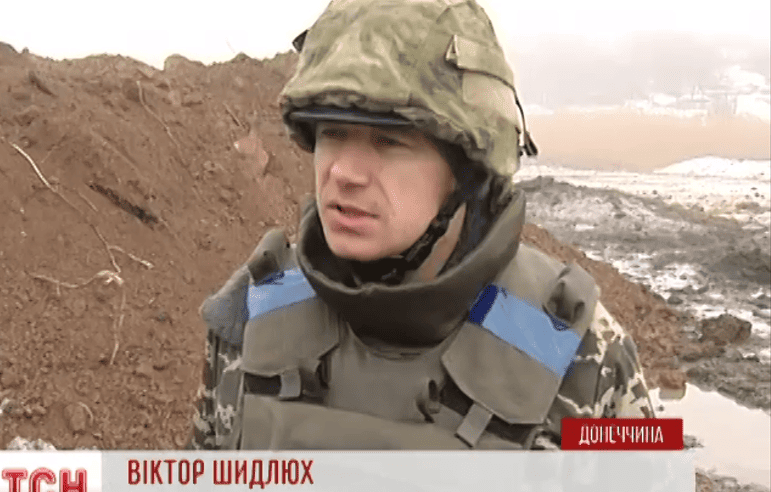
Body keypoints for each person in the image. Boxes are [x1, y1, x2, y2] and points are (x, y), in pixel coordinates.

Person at [192, 0, 654, 450]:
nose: (343, 173)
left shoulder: (585, 355)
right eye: (331, 133)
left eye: (389, 141)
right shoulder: (252, 315)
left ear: (467, 169)